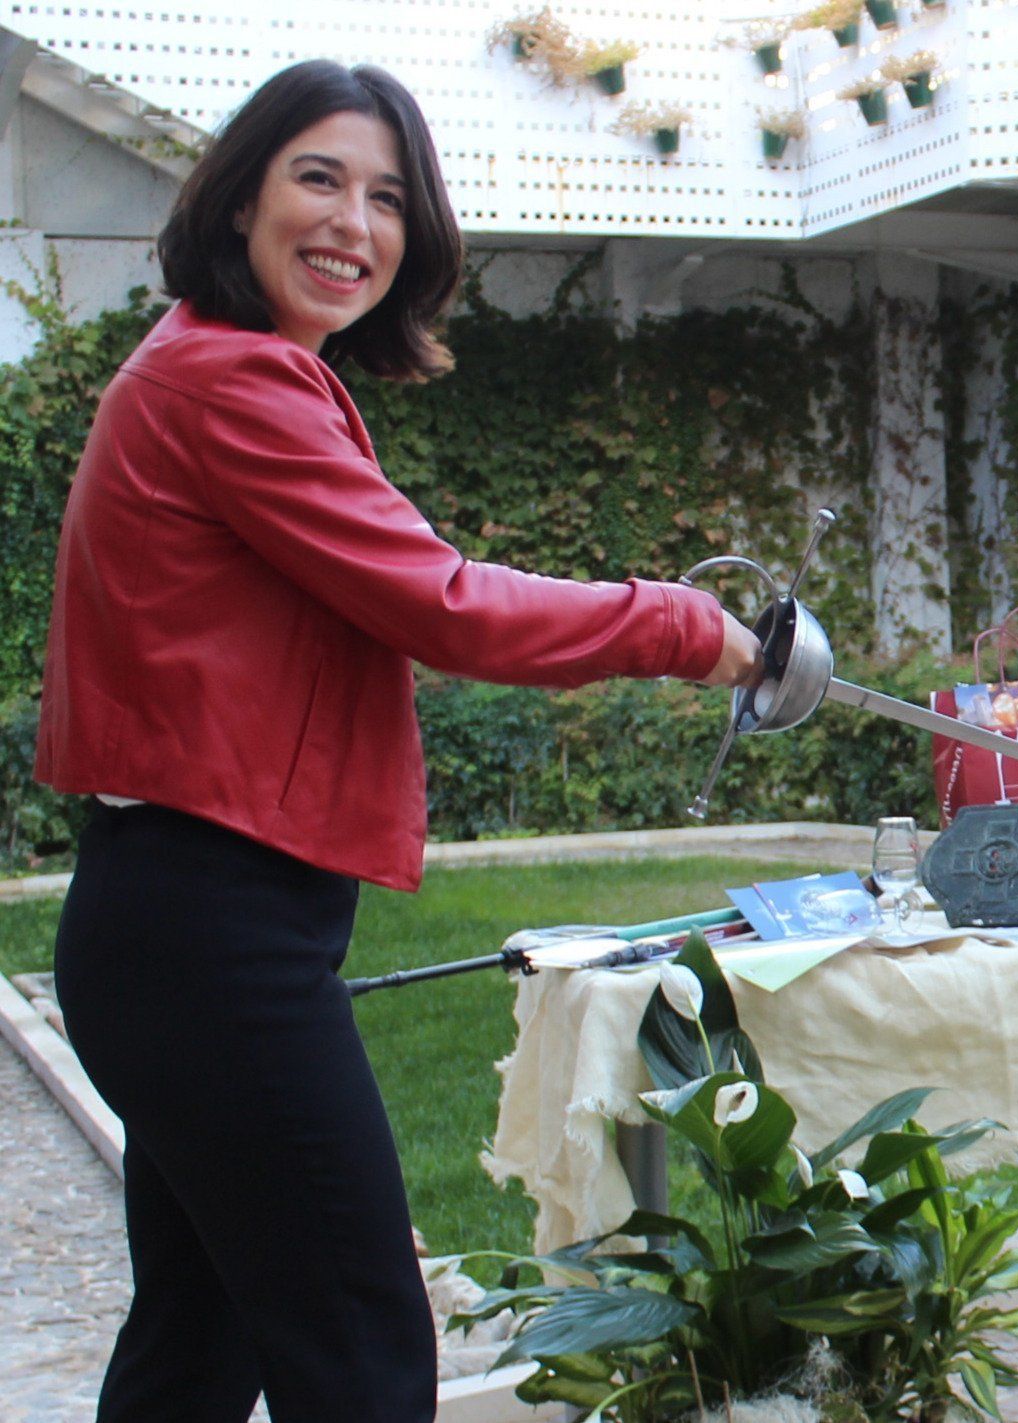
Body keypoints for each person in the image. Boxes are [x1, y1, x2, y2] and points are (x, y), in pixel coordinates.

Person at [33, 61, 763, 1421]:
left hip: (181, 924)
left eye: (386, 197)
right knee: (362, 1350)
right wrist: (679, 623)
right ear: (240, 192)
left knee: (202, 1340)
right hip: (209, 936)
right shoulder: (227, 383)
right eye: (318, 178)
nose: (352, 224)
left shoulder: (221, 368)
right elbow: (445, 602)